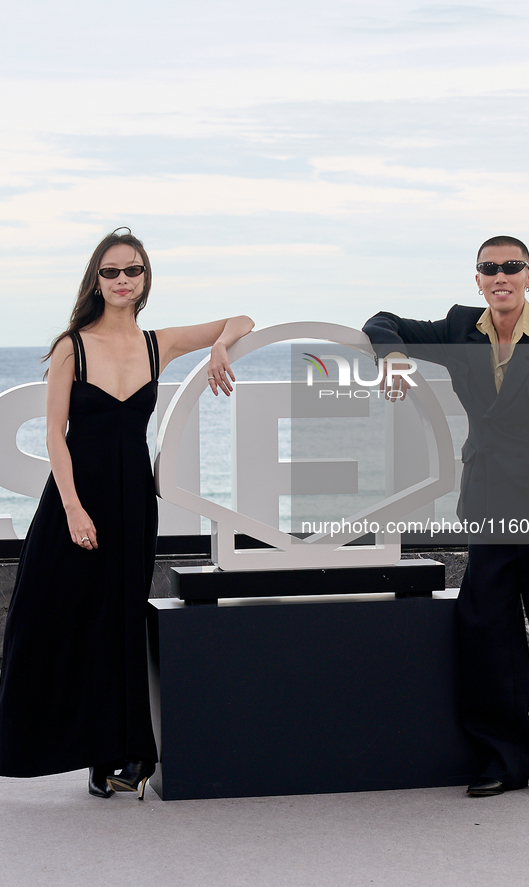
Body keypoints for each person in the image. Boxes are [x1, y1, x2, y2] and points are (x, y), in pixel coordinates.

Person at [0, 228, 254, 800]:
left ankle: (113, 755)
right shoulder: (73, 345)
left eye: (131, 271)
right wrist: (72, 508)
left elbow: (242, 320)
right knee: (48, 618)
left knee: (118, 625)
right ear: (96, 278)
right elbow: (53, 434)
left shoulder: (159, 343)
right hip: (75, 500)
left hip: (133, 502)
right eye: (111, 271)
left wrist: (218, 348)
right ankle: (32, 741)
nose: (121, 280)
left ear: (144, 280)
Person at [363, 235, 529, 796]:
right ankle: (503, 759)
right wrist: (392, 357)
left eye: (511, 267)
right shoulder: (460, 330)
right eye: (490, 268)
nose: (500, 276)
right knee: (488, 636)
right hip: (488, 507)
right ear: (478, 279)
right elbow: (382, 319)